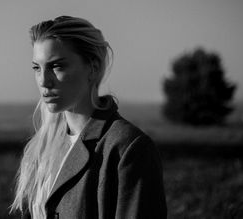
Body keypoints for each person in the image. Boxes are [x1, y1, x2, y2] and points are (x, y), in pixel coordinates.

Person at [10, 16, 167, 219]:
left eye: (57, 66)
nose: (43, 81)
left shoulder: (127, 147)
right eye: (36, 68)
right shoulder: (42, 147)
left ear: (92, 68)